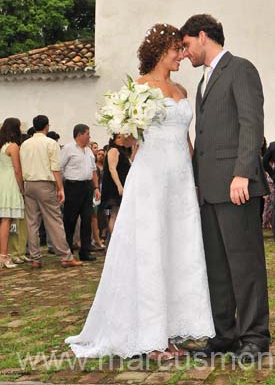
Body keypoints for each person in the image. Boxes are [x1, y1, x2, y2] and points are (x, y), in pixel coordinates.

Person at [66, 23, 214, 359]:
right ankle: (150, 338)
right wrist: (126, 127)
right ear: (162, 50)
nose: (182, 55)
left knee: (178, 251)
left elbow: (186, 141)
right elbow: (127, 138)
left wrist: (196, 176)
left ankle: (169, 330)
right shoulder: (139, 89)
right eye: (178, 49)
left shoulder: (181, 90)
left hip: (179, 181)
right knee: (150, 251)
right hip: (150, 178)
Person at [181, 14, 270, 363]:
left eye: (187, 45)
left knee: (245, 264)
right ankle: (224, 335)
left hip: (237, 186)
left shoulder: (241, 69)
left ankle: (255, 336)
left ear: (203, 36)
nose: (185, 53)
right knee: (217, 267)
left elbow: (251, 123)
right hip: (209, 190)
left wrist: (242, 174)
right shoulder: (203, 81)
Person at [20, 115, 82, 269]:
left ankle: (35, 258)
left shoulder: (25, 144)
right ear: (47, 126)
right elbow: (55, 167)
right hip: (45, 183)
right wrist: (60, 187)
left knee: (32, 222)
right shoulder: (51, 143)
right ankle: (65, 256)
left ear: (34, 127)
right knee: (54, 221)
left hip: (29, 183)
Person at [61, 125, 101, 262]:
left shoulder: (89, 150)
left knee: (87, 219)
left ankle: (85, 251)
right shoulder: (68, 149)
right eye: (87, 134)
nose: (90, 136)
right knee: (70, 220)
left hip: (87, 187)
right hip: (73, 187)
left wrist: (96, 187)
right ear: (79, 135)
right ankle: (67, 251)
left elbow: (93, 170)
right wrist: (60, 187)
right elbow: (60, 167)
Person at [0, 118, 25, 269]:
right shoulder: (13, 146)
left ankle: (5, 253)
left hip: (2, 180)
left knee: (5, 220)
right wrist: (21, 187)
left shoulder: (2, 146)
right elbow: (17, 170)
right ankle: (3, 255)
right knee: (6, 221)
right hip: (10, 183)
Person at [101, 134, 131, 235]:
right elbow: (112, 168)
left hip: (122, 184)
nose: (121, 139)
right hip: (115, 187)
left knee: (119, 214)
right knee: (114, 214)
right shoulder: (113, 150)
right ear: (113, 140)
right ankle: (114, 239)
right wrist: (119, 185)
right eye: (118, 137)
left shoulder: (123, 151)